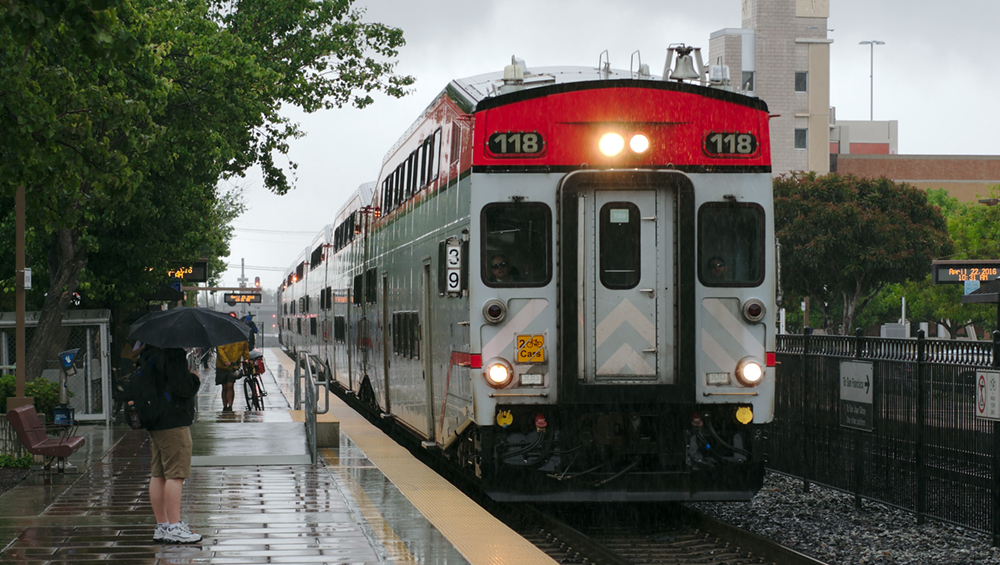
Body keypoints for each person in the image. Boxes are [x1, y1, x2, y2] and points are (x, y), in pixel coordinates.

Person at [139, 346, 202, 544]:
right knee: (176, 474)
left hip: (156, 420)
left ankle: (163, 526)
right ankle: (175, 526)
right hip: (173, 422)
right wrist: (194, 377)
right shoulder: (173, 354)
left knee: (158, 474)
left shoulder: (149, 353)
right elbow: (182, 388)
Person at [216, 339, 250, 412]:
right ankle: (225, 406)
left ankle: (230, 406)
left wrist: (247, 359)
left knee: (230, 385)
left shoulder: (242, 340)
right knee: (224, 387)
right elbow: (220, 349)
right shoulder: (224, 338)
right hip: (222, 366)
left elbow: (245, 350)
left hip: (233, 366)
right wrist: (225, 361)